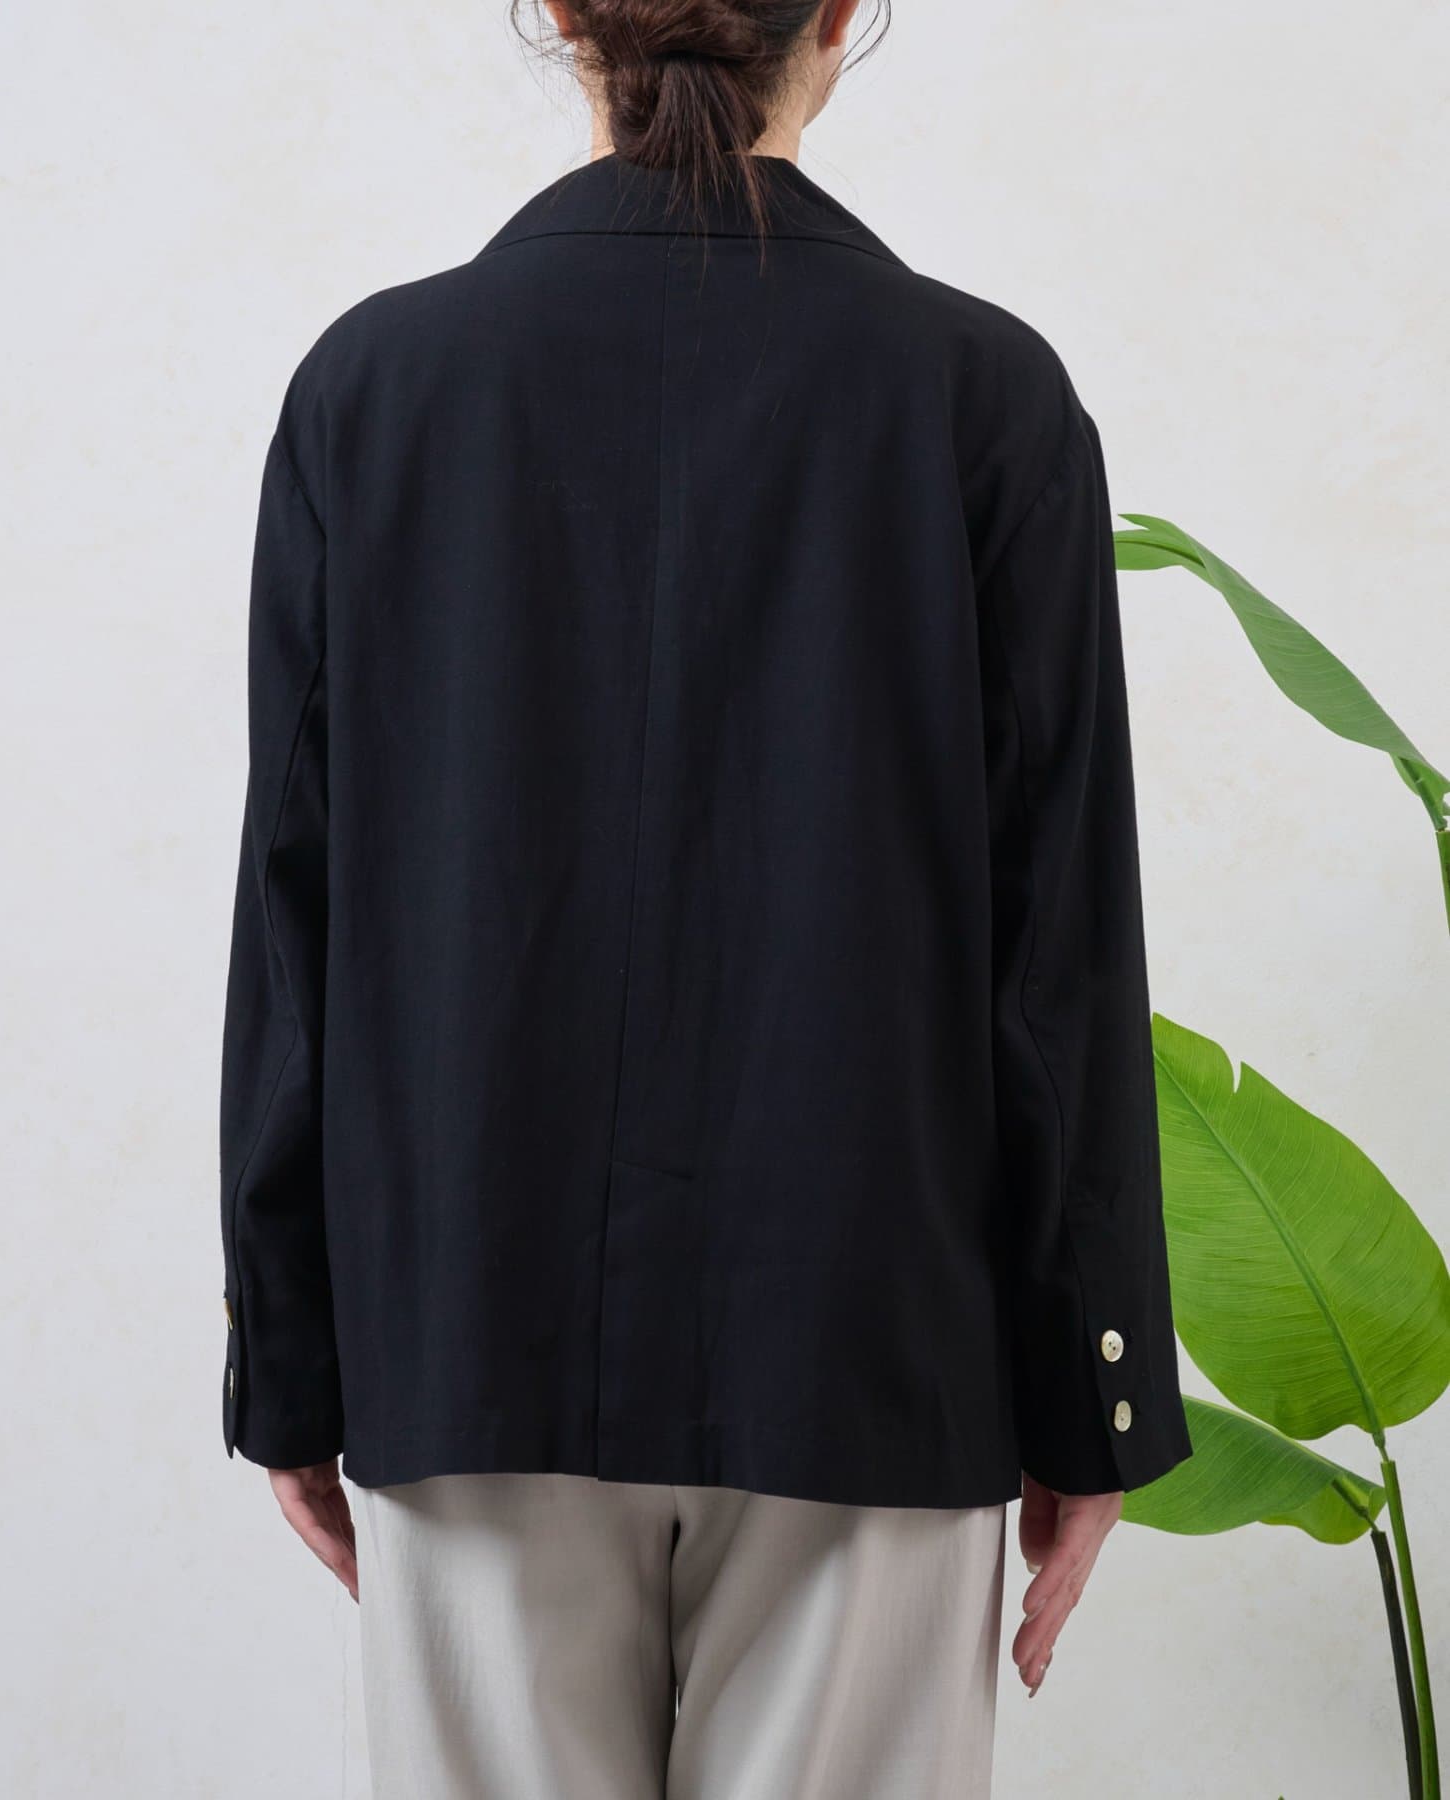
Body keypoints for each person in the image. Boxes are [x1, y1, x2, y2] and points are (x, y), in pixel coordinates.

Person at [217, 1, 1192, 1793]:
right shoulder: (984, 396)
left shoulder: (376, 390)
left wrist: (287, 1354)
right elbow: (1055, 951)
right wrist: (1098, 1382)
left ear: (561, 13)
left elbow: (297, 926)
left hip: (468, 1335)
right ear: (838, 16)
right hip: (871, 1347)